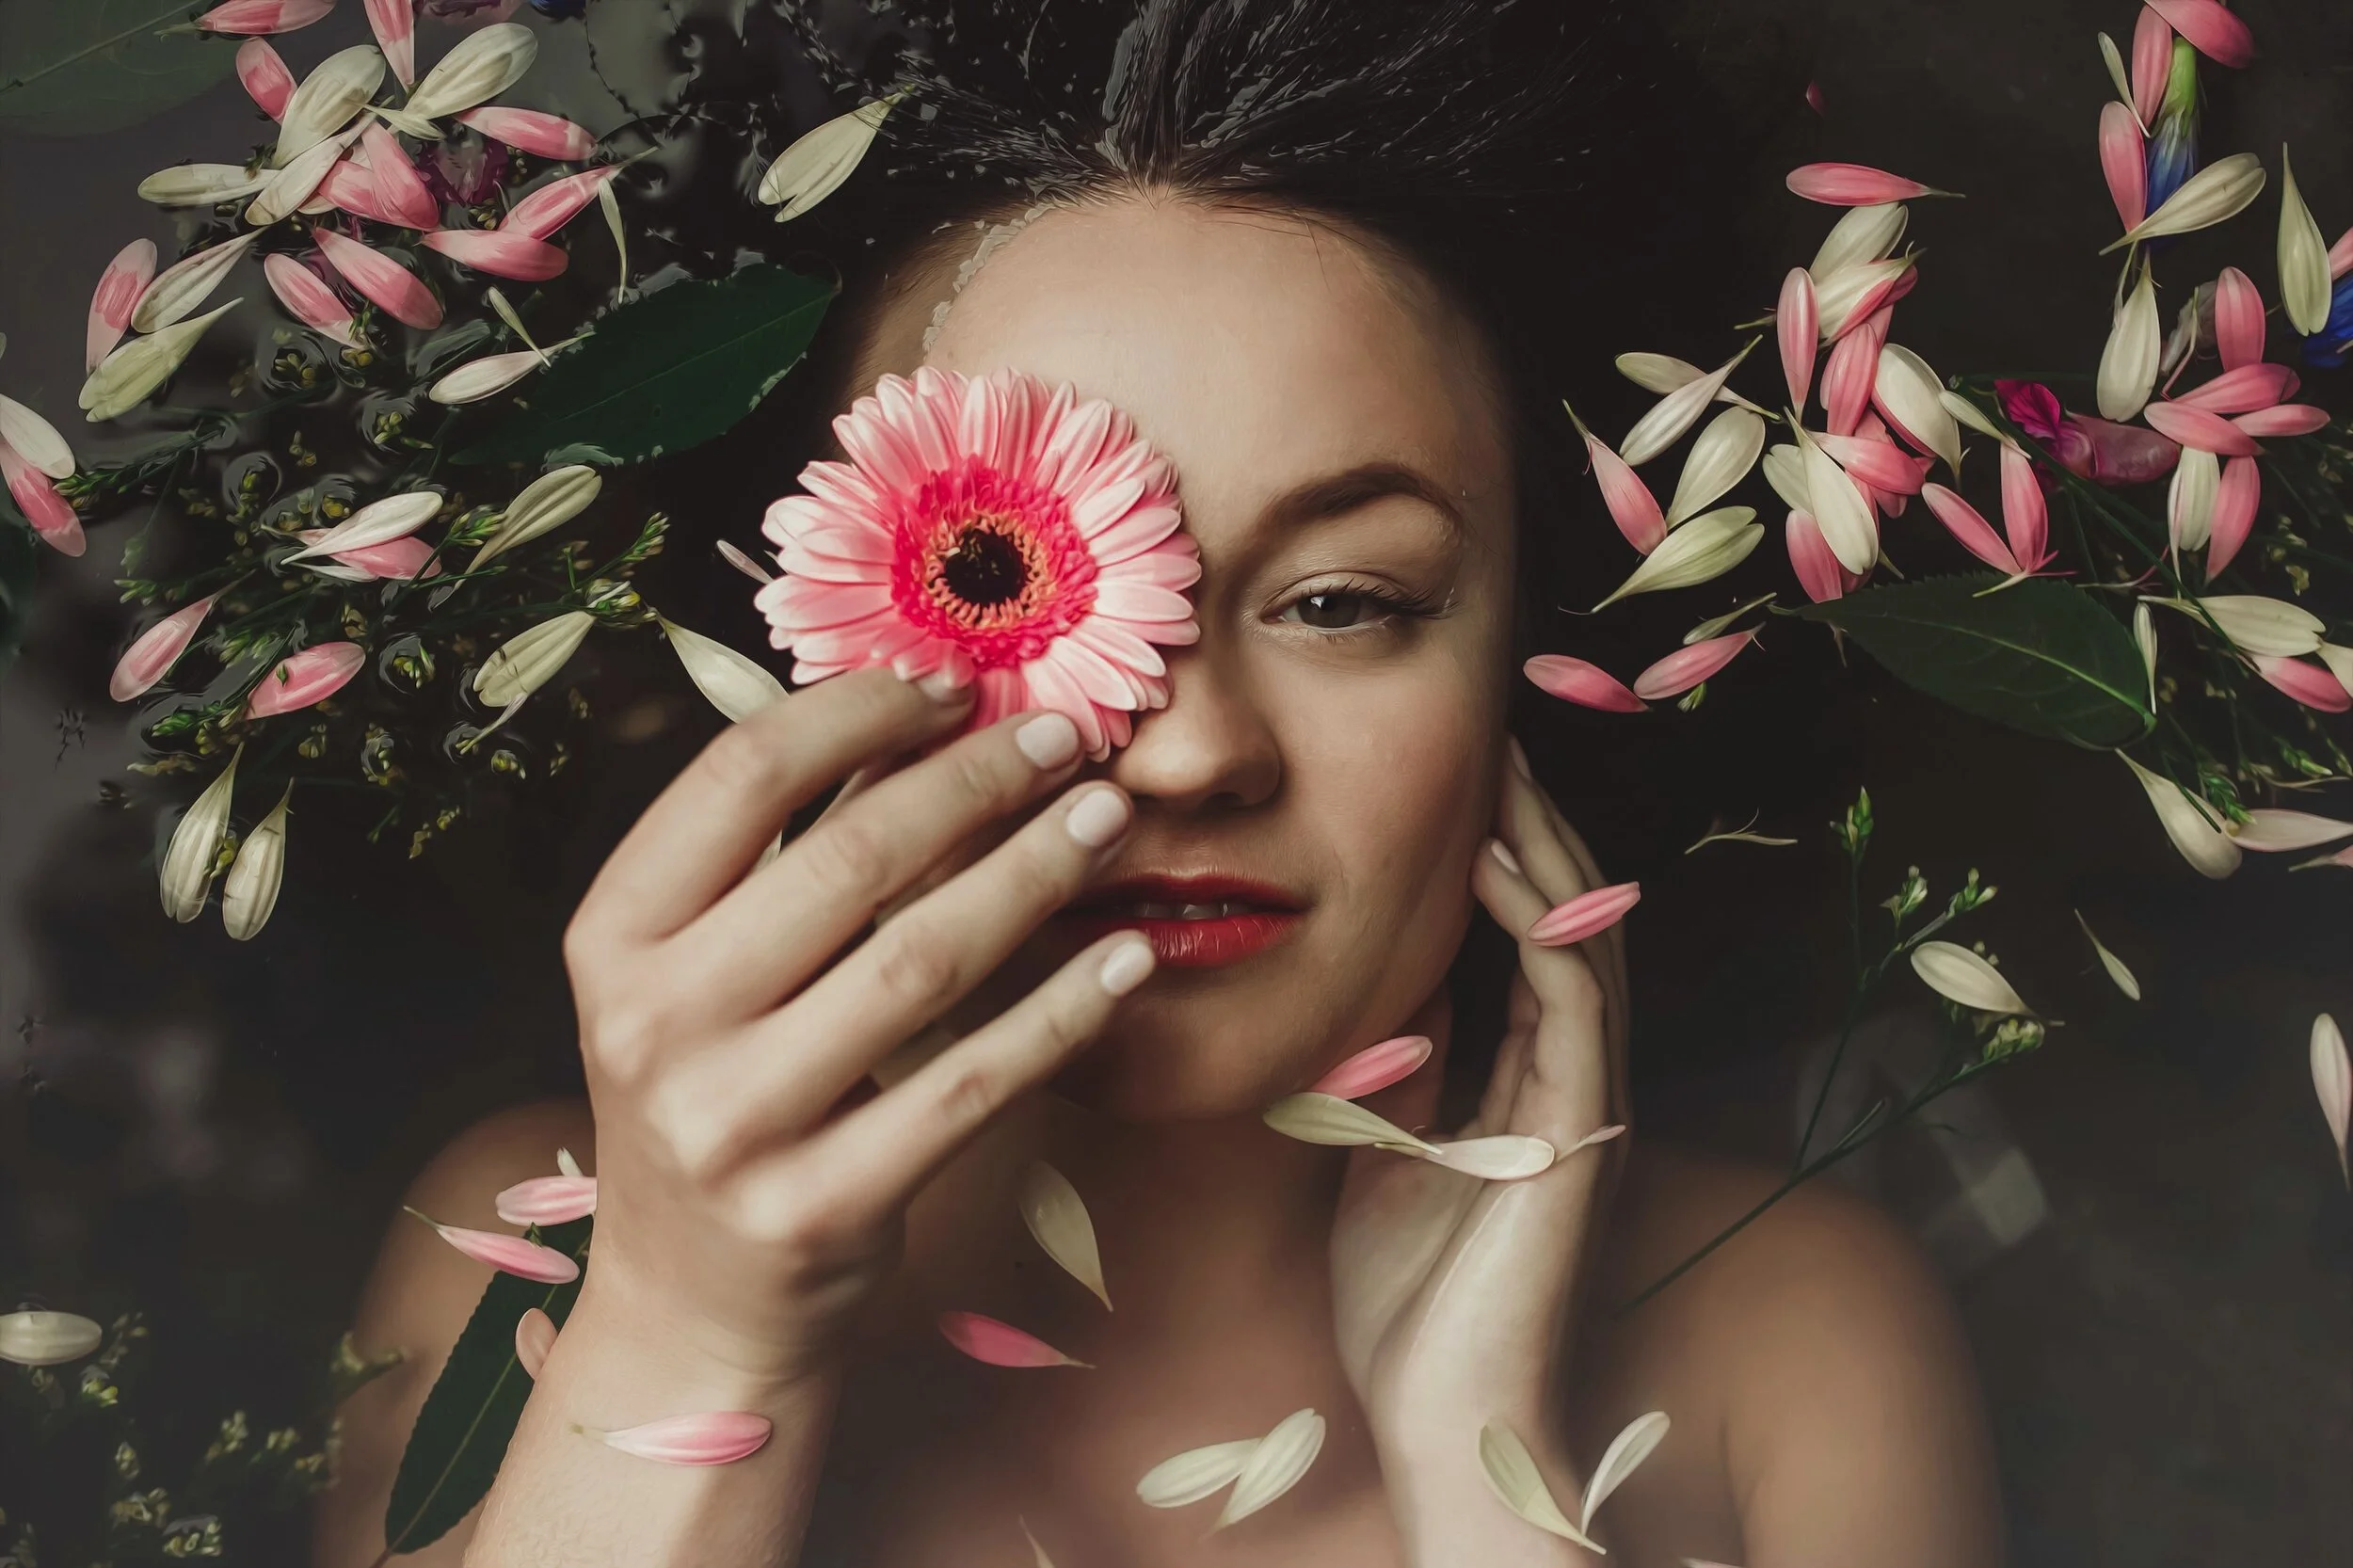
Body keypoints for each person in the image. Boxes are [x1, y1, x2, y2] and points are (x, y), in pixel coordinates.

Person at [316, 2, 2003, 1562]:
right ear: (809, 640)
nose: (1193, 747)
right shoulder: (528, 1249)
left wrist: (1484, 1470)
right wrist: (695, 1335)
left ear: (1515, 657)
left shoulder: (1782, 1349)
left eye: (1345, 603)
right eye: (997, 577)